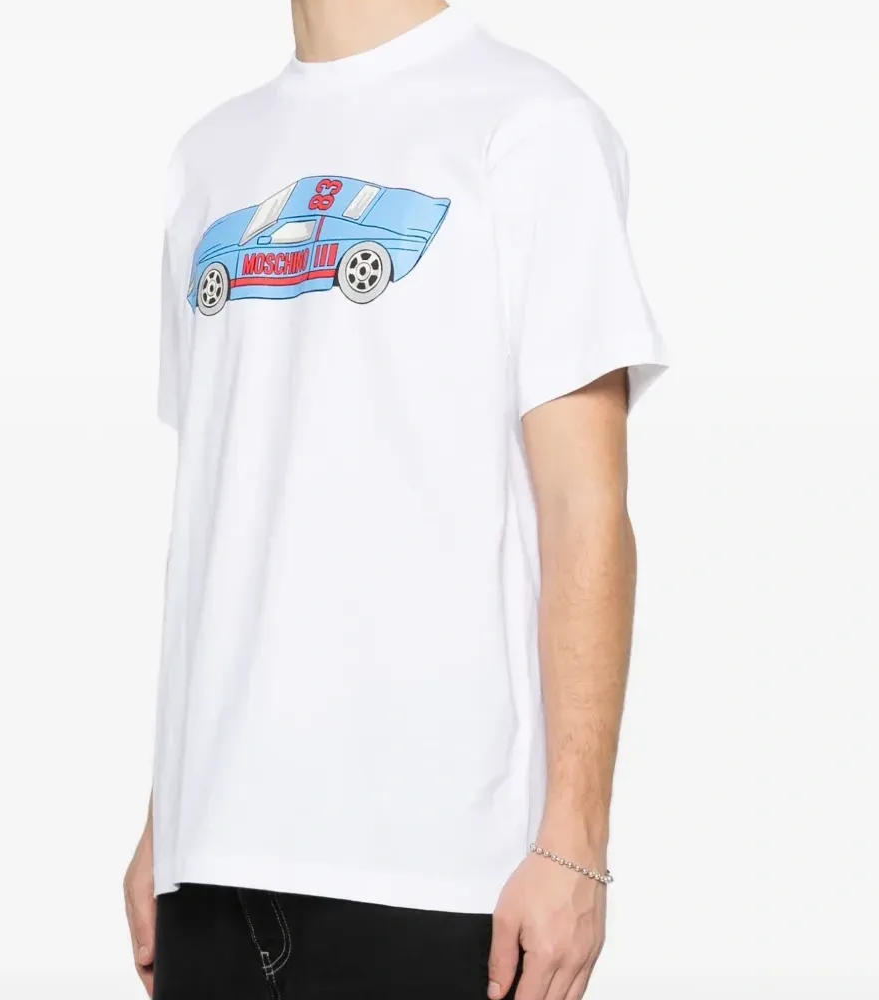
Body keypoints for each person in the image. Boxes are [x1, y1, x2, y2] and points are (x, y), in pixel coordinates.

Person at [124, 1, 667, 997]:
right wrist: (168, 818)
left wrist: (577, 841)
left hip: (437, 871)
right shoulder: (207, 159)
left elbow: (584, 507)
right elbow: (220, 509)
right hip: (209, 869)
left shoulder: (530, 123)